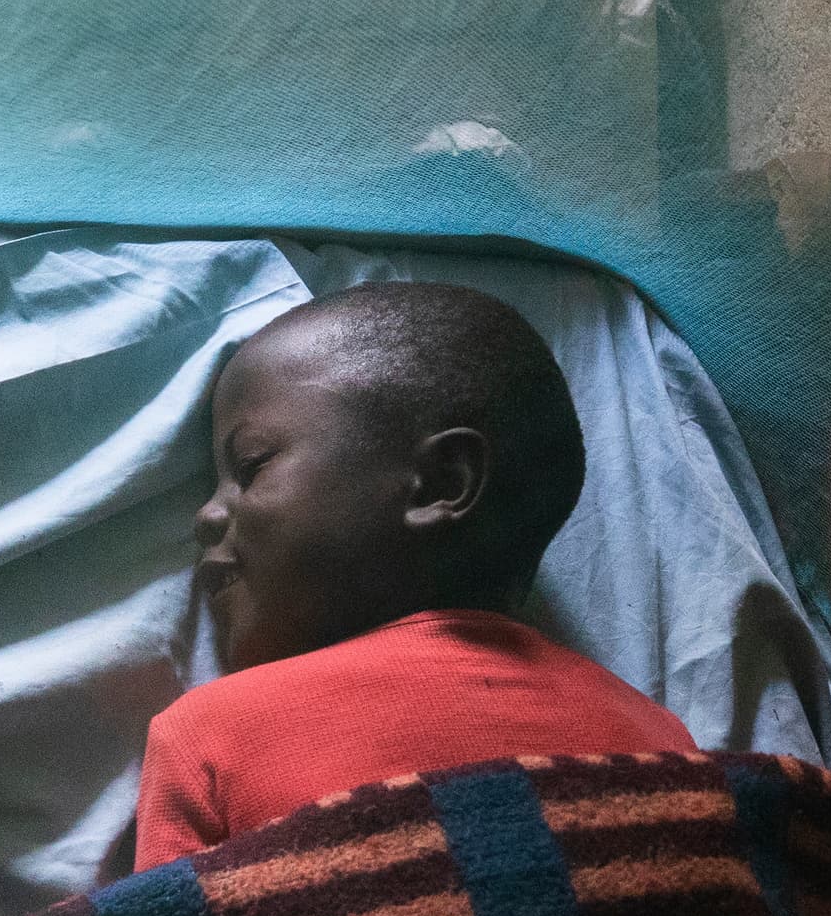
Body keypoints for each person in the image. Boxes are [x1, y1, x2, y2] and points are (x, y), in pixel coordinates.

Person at [130, 280, 695, 870]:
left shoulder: (212, 736)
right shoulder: (655, 735)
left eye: (251, 467)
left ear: (439, 483)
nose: (207, 515)